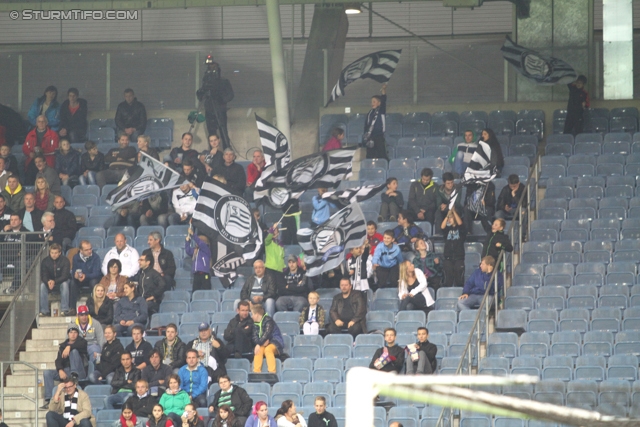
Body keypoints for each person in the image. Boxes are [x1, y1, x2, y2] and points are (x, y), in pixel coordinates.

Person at [42, 325, 88, 407]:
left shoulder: (82, 342)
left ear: (78, 334)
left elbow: (80, 346)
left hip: (79, 371)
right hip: (66, 371)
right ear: (68, 334)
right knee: (47, 372)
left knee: (74, 352)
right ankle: (49, 400)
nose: (73, 334)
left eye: (75, 332)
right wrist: (60, 370)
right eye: (71, 332)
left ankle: (74, 376)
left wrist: (69, 347)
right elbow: (58, 360)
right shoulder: (63, 346)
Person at [197, 57, 234, 150]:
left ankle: (227, 150)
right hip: (209, 110)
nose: (212, 70)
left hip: (220, 110)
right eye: (210, 68)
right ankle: (212, 151)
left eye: (214, 68)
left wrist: (221, 99)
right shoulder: (206, 82)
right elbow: (201, 95)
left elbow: (230, 94)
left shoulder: (224, 81)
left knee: (223, 131)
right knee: (211, 132)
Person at [23, 115, 59, 185]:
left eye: (43, 121)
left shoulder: (53, 134)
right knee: (29, 173)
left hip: (47, 160)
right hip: (33, 159)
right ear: (36, 123)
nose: (41, 123)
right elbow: (25, 147)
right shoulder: (30, 134)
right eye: (39, 122)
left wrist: (43, 150)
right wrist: (29, 153)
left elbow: (56, 148)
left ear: (46, 123)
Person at [40, 243, 72, 316]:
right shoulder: (45, 261)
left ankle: (64, 309)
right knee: (42, 286)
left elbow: (65, 276)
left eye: (56, 253)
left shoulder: (65, 260)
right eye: (52, 253)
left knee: (65, 284)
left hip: (61, 282)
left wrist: (55, 282)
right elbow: (43, 275)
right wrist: (48, 282)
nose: (53, 255)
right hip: (50, 283)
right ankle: (44, 311)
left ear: (59, 253)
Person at [251, 304, 284, 374]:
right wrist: (258, 344)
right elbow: (254, 337)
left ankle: (272, 372)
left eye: (253, 314)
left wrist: (259, 343)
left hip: (275, 341)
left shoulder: (268, 320)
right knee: (258, 350)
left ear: (256, 314)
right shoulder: (254, 324)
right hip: (263, 343)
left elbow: (267, 333)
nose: (252, 316)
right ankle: (256, 372)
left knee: (268, 349)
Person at [441, 207, 466, 288]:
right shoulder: (447, 229)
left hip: (459, 257)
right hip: (448, 257)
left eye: (451, 217)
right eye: (449, 218)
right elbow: (442, 227)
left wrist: (454, 211)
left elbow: (460, 224)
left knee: (459, 279)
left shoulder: (461, 229)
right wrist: (447, 215)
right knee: (448, 279)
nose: (449, 219)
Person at [73, 239, 103, 304]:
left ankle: (95, 304)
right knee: (72, 283)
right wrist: (76, 276)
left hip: (91, 279)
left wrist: (85, 276)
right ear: (81, 250)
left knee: (94, 282)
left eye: (90, 249)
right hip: (80, 280)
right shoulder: (76, 257)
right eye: (86, 250)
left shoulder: (95, 257)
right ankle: (72, 308)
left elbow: (97, 273)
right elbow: (74, 270)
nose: (89, 251)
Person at [363, 83, 388, 160]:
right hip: (370, 137)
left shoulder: (381, 111)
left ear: (379, 103)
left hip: (379, 137)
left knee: (382, 155)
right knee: (370, 156)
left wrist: (383, 91)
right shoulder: (370, 113)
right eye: (371, 102)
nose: (372, 103)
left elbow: (383, 100)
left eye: (374, 101)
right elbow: (366, 126)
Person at [185, 227, 212, 291]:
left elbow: (201, 243)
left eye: (200, 240)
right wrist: (187, 241)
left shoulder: (206, 250)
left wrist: (193, 234)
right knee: (195, 291)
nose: (197, 242)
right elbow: (188, 250)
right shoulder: (195, 251)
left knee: (206, 290)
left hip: (204, 274)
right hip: (196, 274)